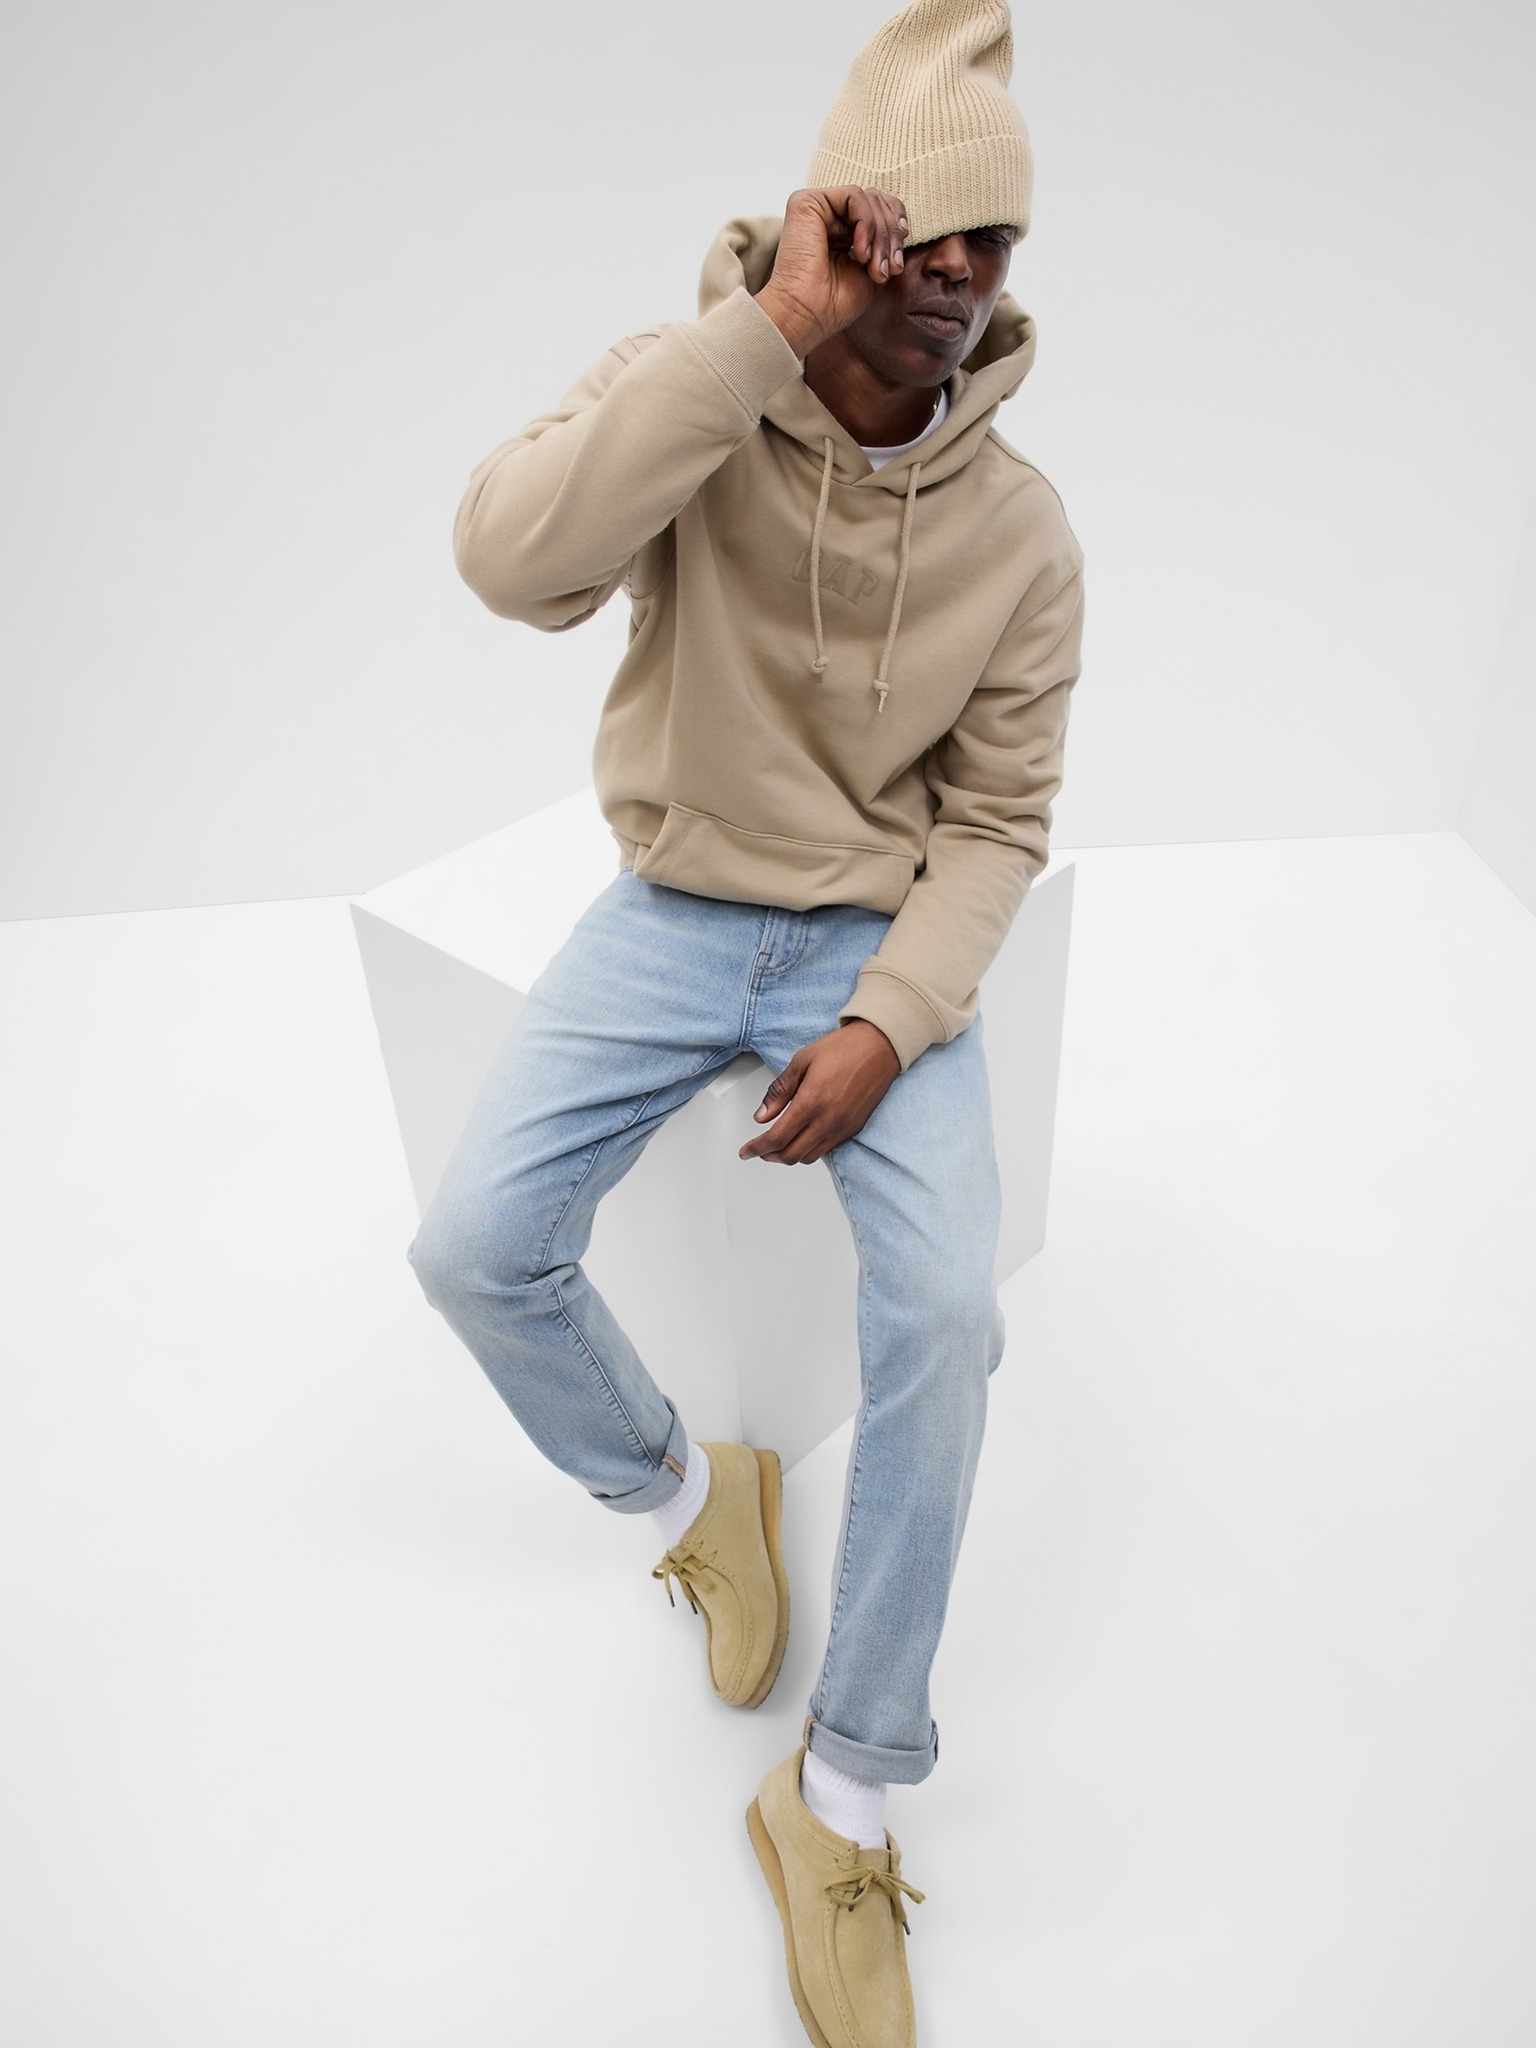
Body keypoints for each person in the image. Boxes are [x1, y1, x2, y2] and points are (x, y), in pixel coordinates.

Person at [407, 2, 1083, 2040]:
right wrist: (765, 331)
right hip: (677, 907)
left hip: (875, 944)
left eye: (991, 243)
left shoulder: (1022, 530)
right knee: (474, 1246)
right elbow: (506, 559)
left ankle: (845, 1787)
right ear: (831, 225)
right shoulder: (691, 387)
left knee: (946, 1313)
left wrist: (890, 1021)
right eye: (913, 232)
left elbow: (1001, 824)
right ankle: (697, 1503)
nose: (954, 274)